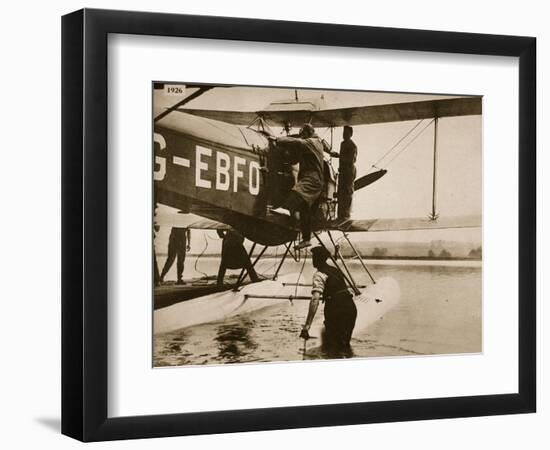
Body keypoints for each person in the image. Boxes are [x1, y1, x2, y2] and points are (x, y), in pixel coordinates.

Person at [269, 124, 325, 250]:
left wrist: (277, 140)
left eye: (303, 134)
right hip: (311, 178)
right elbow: (294, 160)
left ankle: (286, 208)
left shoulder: (313, 142)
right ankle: (306, 239)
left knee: (297, 192)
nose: (302, 137)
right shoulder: (310, 145)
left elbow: (297, 142)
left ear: (307, 133)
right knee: (305, 210)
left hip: (312, 178)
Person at [300, 246, 357, 356]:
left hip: (336, 311)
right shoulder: (336, 270)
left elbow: (315, 300)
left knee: (332, 348)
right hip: (350, 309)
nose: (312, 260)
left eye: (314, 257)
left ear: (317, 259)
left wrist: (307, 326)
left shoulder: (319, 274)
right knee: (345, 345)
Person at [334, 125, 358, 220]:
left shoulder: (353, 146)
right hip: (343, 171)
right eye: (343, 133)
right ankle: (340, 215)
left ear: (350, 134)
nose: (344, 135)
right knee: (341, 192)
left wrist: (339, 156)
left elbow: (351, 160)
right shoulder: (342, 144)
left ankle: (346, 215)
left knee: (347, 192)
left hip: (349, 171)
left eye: (346, 133)